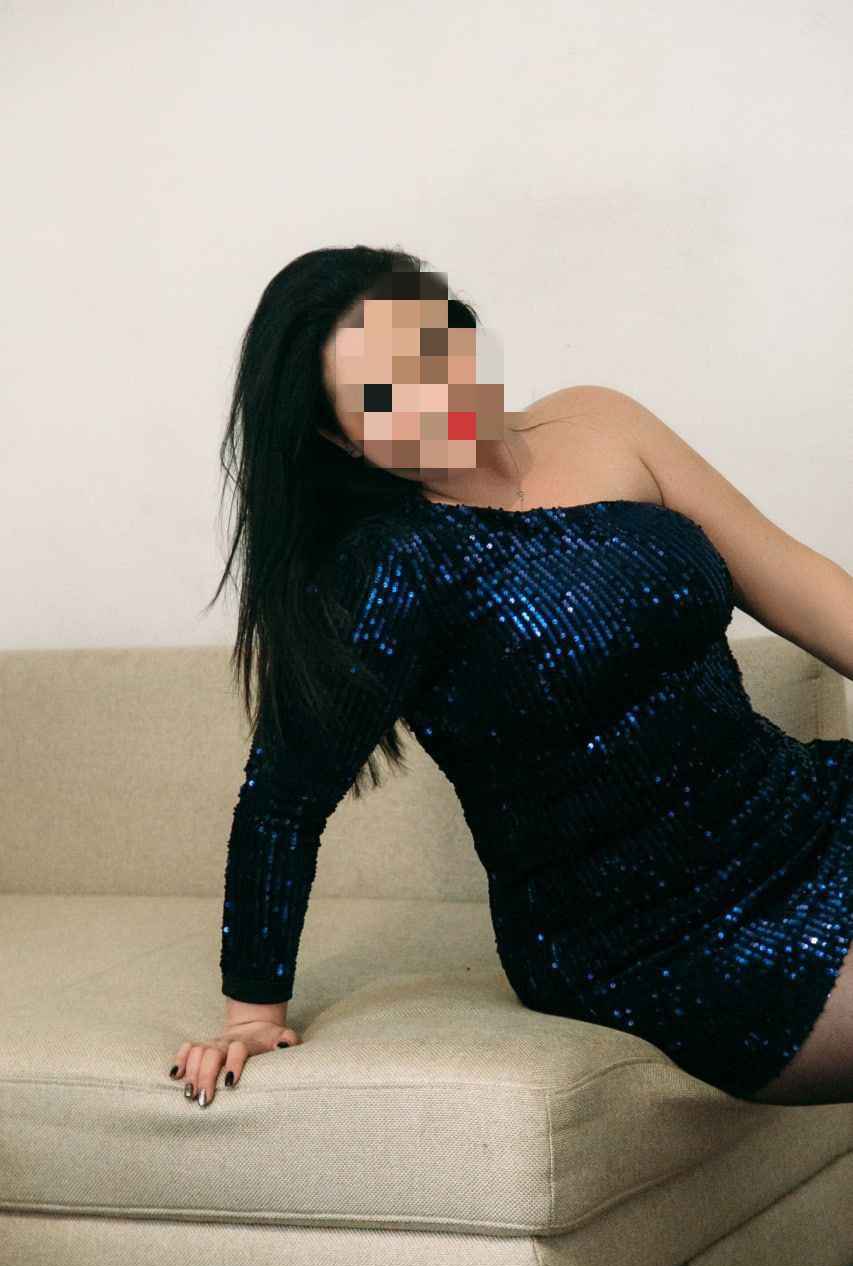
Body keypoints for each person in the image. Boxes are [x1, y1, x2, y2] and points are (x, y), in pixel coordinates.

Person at [169, 244, 853, 1109]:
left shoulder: (600, 419)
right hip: (660, 936)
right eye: (383, 395)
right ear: (339, 437)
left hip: (802, 812)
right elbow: (281, 803)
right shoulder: (386, 567)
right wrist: (249, 1013)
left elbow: (798, 582)